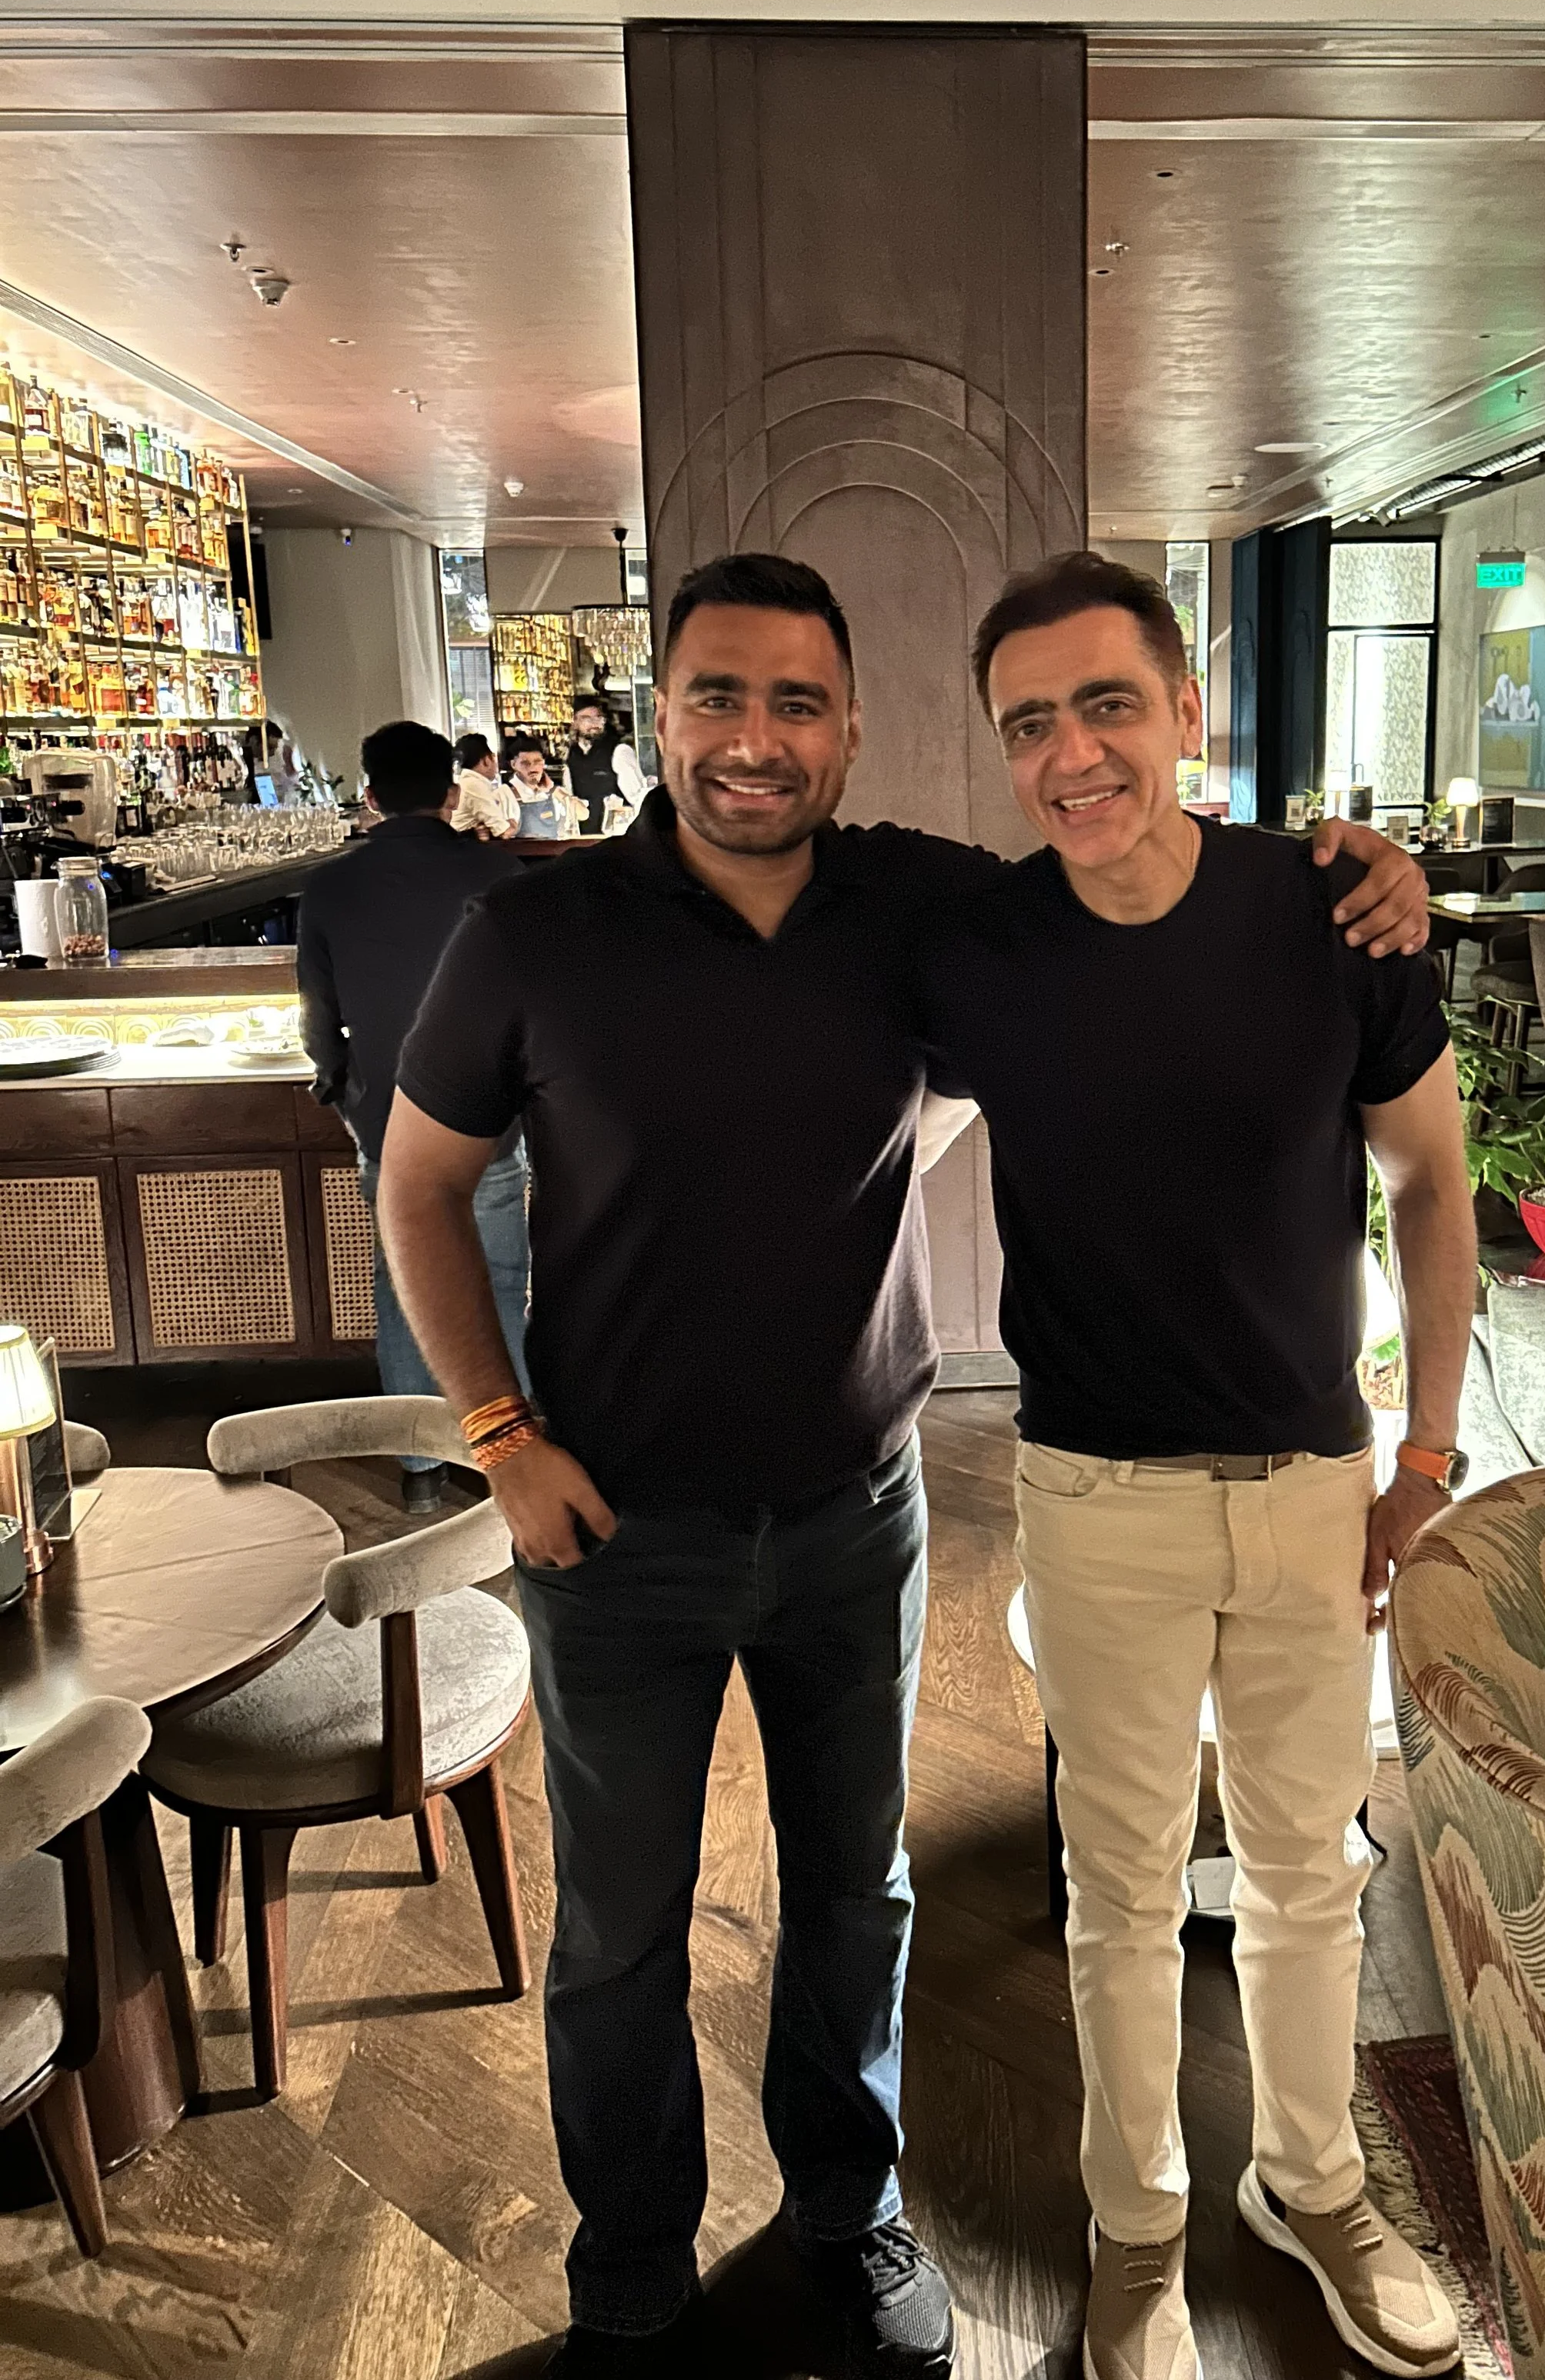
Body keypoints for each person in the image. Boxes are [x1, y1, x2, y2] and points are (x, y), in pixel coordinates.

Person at [373, 555, 1429, 2379]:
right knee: (619, 1929)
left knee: (857, 1898)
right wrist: (499, 1434)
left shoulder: (920, 912)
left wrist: (1347, 867)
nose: (755, 738)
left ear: (852, 728)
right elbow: (416, 1184)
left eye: (797, 702)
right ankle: (630, 2266)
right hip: (615, 1532)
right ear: (656, 716)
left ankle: (846, 2211)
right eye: (717, 696)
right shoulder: (532, 934)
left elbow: (1137, 874)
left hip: (857, 1514)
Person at [917, 552, 1477, 2380]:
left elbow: (1432, 1181)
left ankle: (1315, 2187)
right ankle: (1136, 2227)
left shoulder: (1326, 913)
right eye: (1029, 724)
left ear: (1182, 711)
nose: (1071, 754)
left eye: (1105, 705)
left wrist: (1428, 1447)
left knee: (1312, 1866)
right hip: (1095, 1495)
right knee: (1123, 1890)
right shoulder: (981, 950)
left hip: (1315, 1479)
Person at [296, 719, 531, 1516]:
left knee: (403, 1286)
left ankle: (418, 1464)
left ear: (368, 796)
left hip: (388, 1121)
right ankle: (508, 1457)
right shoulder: (500, 876)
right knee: (501, 1283)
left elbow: (318, 1019)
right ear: (453, 792)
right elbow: (532, 1008)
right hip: (489, 1118)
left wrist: (340, 1088)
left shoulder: (330, 888)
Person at [565, 692, 649, 835]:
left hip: (616, 837)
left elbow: (637, 799)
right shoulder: (571, 755)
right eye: (587, 718)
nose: (594, 723)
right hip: (583, 838)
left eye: (599, 718)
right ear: (575, 721)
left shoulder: (620, 751)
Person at [506, 734, 583, 841]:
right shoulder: (505, 795)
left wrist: (555, 791)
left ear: (543, 763)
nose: (533, 768)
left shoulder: (554, 792)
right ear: (514, 764)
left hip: (554, 850)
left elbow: (583, 815)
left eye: (537, 762)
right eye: (525, 763)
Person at [452, 732, 519, 841]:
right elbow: (503, 831)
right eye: (493, 757)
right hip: (463, 846)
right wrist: (513, 826)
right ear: (486, 760)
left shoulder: (469, 782)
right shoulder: (474, 785)